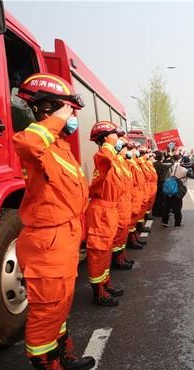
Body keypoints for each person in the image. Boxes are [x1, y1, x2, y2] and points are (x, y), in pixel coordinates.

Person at [13, 73, 93, 370]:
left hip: (63, 238)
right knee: (47, 310)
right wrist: (54, 120)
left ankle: (61, 357)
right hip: (47, 242)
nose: (72, 117)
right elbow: (27, 141)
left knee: (60, 304)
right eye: (68, 110)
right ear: (48, 108)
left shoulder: (59, 146)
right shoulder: (38, 142)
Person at [86, 121, 126, 307]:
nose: (119, 140)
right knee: (98, 253)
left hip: (109, 211)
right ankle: (98, 294)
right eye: (115, 136)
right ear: (105, 139)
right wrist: (109, 144)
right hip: (101, 212)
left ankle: (105, 283)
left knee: (106, 251)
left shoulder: (114, 161)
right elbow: (105, 157)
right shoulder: (103, 157)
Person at [110, 137, 135, 270]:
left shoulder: (123, 163)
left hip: (125, 202)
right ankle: (117, 260)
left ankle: (121, 256)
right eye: (127, 148)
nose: (130, 151)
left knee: (123, 232)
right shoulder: (113, 162)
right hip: (119, 204)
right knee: (119, 233)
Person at [161, 153, 188, 227]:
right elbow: (191, 176)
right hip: (177, 190)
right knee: (177, 207)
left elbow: (166, 176)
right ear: (180, 160)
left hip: (168, 188)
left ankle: (164, 221)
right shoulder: (184, 170)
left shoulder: (170, 167)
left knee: (166, 206)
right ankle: (177, 223)